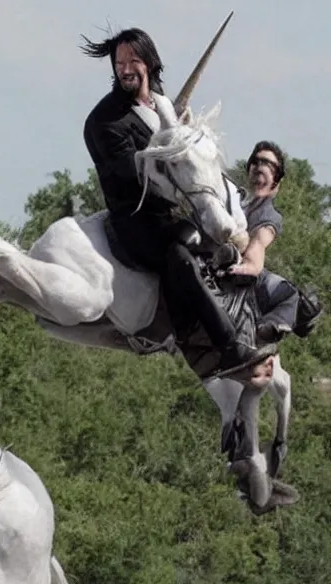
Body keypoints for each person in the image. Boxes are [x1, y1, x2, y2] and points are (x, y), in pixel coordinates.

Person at [79, 27, 276, 378]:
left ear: (150, 63)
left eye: (133, 61)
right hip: (136, 221)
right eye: (119, 62)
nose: (125, 68)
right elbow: (137, 174)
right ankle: (229, 347)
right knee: (180, 253)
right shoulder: (102, 121)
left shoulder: (162, 102)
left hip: (174, 211)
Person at [224, 140, 323, 342]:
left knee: (292, 295)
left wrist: (250, 263)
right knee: (292, 296)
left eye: (268, 164)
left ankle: (267, 328)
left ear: (277, 181)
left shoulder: (267, 214)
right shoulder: (235, 198)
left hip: (242, 267)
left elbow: (260, 242)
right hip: (234, 267)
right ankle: (270, 325)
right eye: (257, 161)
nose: (260, 166)